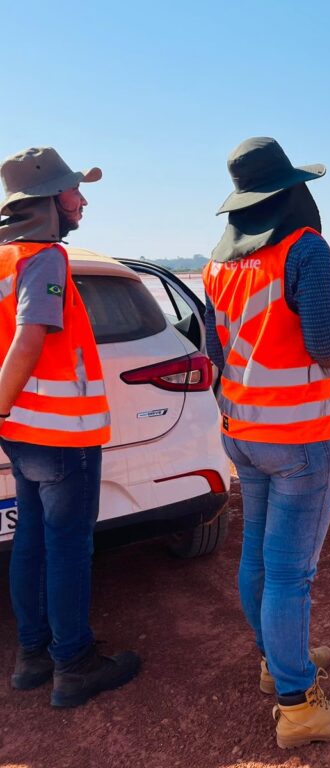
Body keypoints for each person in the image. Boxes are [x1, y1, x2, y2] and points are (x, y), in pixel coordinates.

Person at [202, 137, 330, 748]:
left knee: (259, 559)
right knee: (290, 574)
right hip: (298, 436)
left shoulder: (218, 265)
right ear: (290, 195)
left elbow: (217, 353)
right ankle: (299, 706)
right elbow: (327, 345)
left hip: (242, 432)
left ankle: (278, 658)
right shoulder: (306, 250)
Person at [0, 147, 141, 707]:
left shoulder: (3, 258)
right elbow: (31, 336)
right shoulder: (45, 259)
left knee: (31, 541)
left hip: (23, 432)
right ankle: (75, 664)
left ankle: (32, 656)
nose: (81, 199)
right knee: (67, 547)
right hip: (63, 435)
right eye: (73, 191)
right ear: (47, 201)